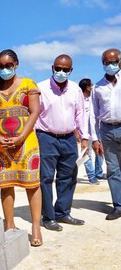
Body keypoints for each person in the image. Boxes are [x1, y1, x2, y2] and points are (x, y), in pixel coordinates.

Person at [0, 49, 42, 247]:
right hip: (1, 144)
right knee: (5, 185)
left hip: (26, 141)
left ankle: (36, 227)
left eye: (8, 65)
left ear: (16, 64)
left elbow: (34, 112)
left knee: (32, 184)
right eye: (1, 66)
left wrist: (21, 137)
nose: (4, 69)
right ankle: (9, 224)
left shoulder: (29, 84)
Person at [35, 54, 89, 231]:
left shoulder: (75, 89)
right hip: (46, 137)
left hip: (68, 139)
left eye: (65, 69)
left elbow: (80, 114)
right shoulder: (41, 88)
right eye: (58, 68)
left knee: (68, 176)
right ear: (52, 68)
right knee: (46, 178)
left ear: (71, 70)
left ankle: (63, 213)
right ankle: (48, 216)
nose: (61, 72)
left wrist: (84, 138)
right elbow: (33, 114)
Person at [90, 48, 121, 220]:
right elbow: (93, 115)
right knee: (113, 169)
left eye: (114, 61)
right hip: (107, 130)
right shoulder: (98, 87)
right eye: (107, 62)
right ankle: (118, 206)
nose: (110, 65)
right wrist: (95, 139)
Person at [78, 78, 104, 185]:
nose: (93, 86)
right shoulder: (80, 101)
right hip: (85, 132)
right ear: (88, 87)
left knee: (100, 152)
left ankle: (99, 172)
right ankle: (91, 176)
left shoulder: (94, 100)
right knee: (86, 154)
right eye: (91, 85)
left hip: (97, 130)